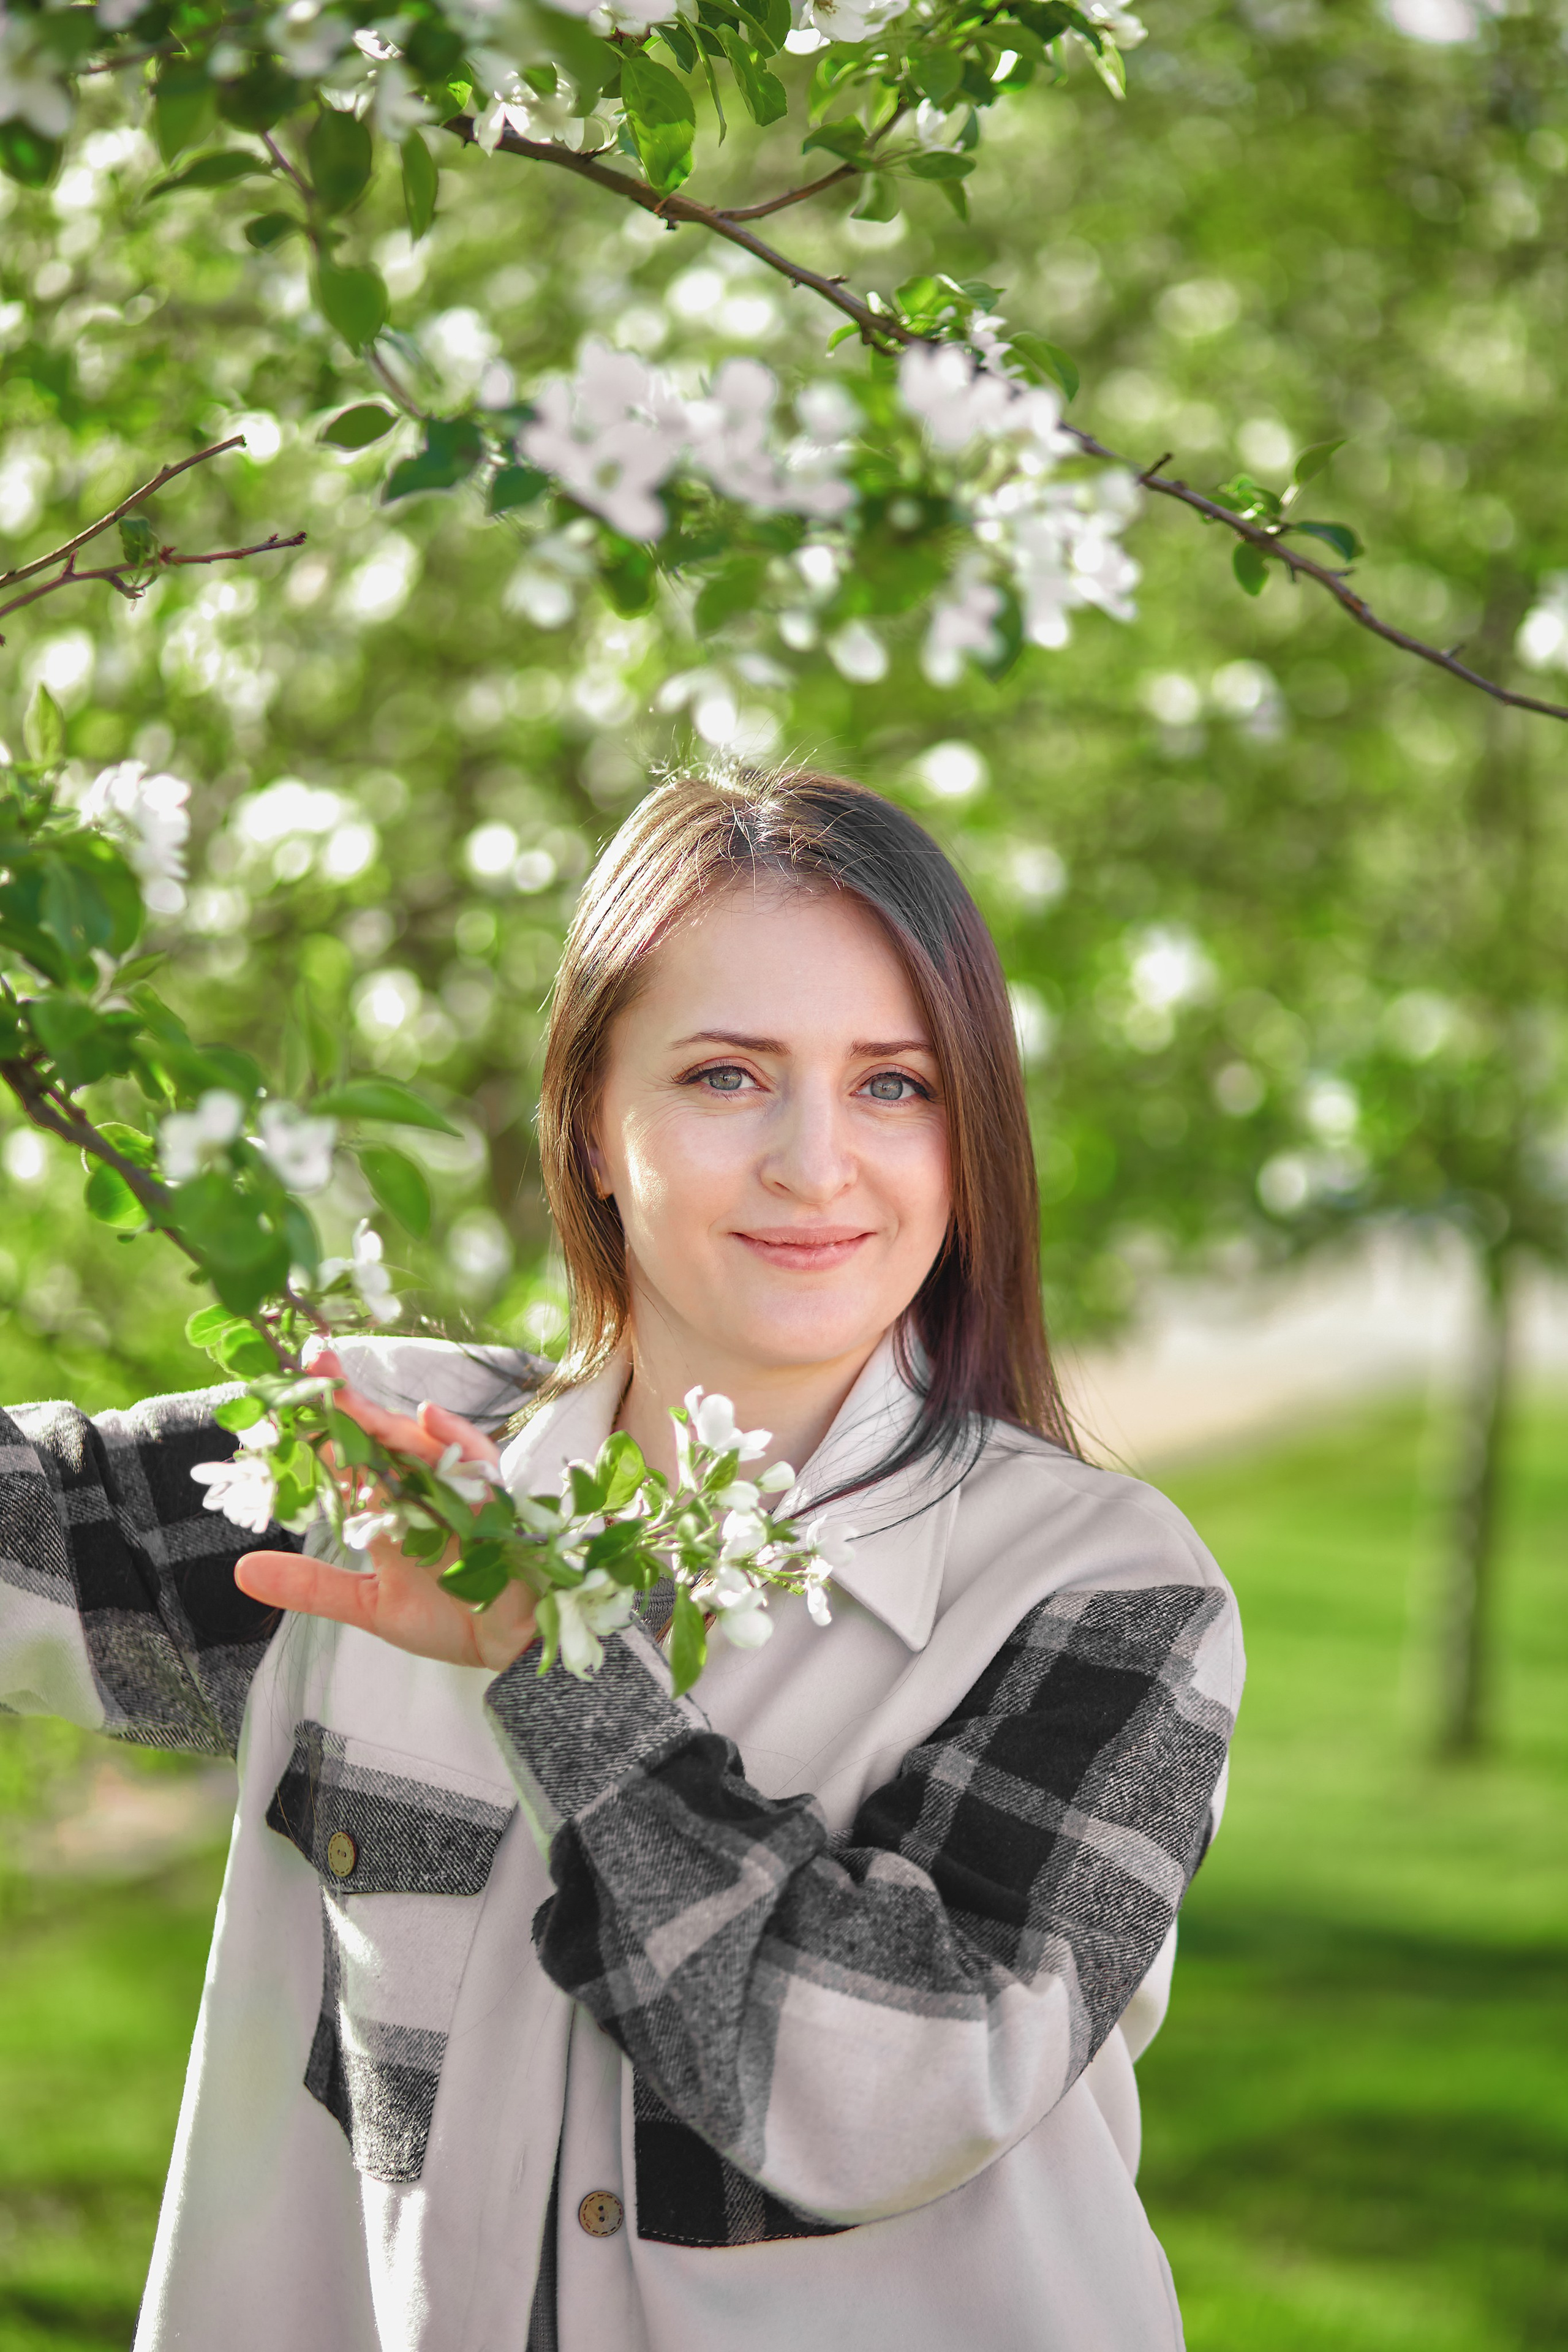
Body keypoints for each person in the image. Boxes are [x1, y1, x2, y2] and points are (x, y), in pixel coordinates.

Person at [0, 769, 1243, 2352]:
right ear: (593, 1122)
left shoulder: (1102, 1593)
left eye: (894, 1087)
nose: (814, 1162)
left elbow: (897, 2088)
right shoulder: (382, 1476)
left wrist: (557, 1670)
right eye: (728, 1077)